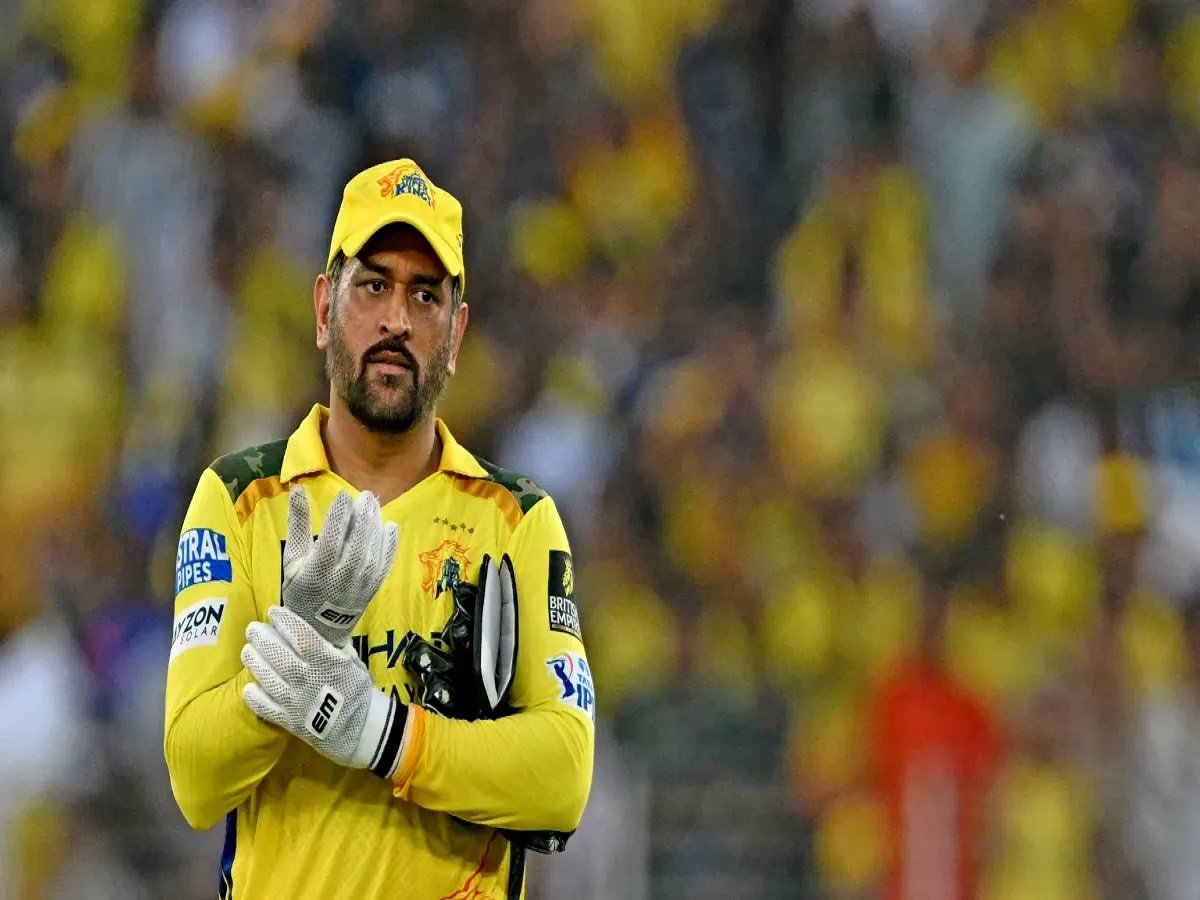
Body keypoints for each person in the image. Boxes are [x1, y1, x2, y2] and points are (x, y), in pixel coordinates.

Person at [164, 159, 595, 899]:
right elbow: (195, 780)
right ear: (323, 308)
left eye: (425, 295)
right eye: (374, 285)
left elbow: (564, 779)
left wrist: (382, 733)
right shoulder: (238, 499)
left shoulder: (517, 519)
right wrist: (297, 651)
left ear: (455, 335)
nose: (397, 319)